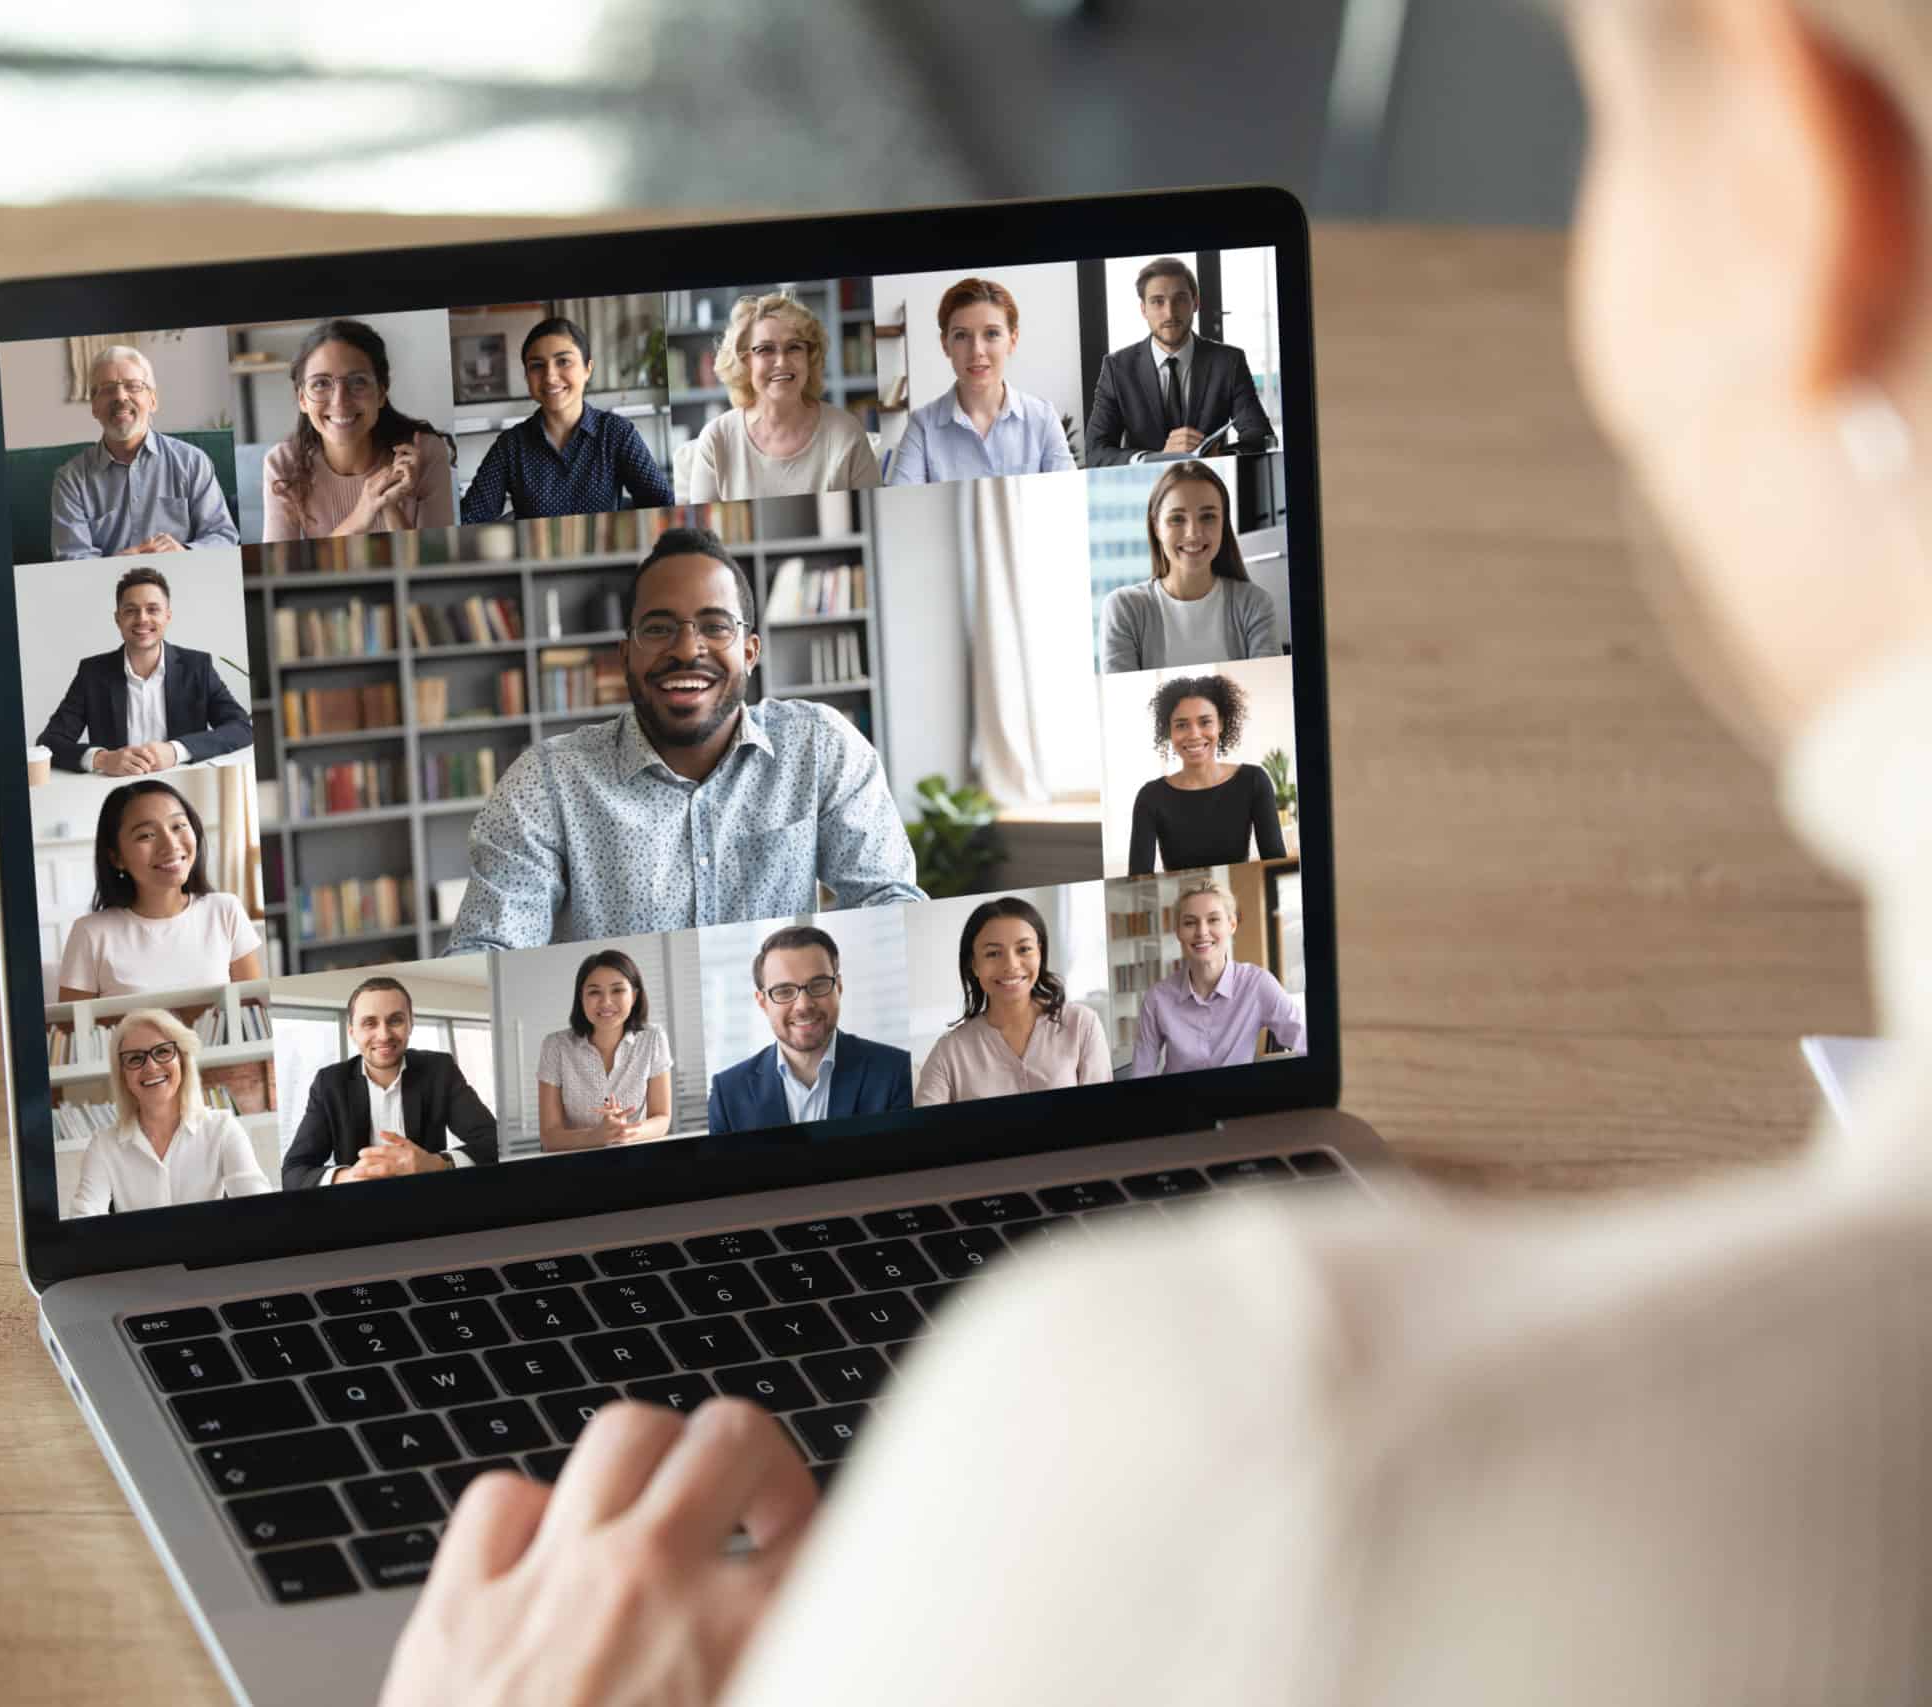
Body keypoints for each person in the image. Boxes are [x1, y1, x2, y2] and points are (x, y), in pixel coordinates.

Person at [385, 8, 1932, 1704]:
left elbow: (890, 910)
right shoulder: (556, 789)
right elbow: (507, 973)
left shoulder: (1244, 1445)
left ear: (1805, 181)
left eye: (1624, 122)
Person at [448, 526, 924, 952]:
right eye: (658, 629)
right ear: (625, 655)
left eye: (715, 627)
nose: (686, 649)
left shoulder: (819, 747)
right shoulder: (547, 783)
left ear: (750, 651)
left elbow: (890, 904)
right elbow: (490, 948)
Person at [280, 977, 499, 1189]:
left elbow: (493, 1141)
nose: (383, 1035)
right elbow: (293, 1172)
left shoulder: (440, 1069)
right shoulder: (329, 1083)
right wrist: (350, 1177)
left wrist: (438, 1164)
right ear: (352, 1032)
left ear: (411, 1024)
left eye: (395, 1020)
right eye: (369, 1023)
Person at [33, 566, 254, 776]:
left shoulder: (198, 666)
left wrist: (176, 751)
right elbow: (49, 742)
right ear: (117, 619)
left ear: (167, 616)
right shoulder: (92, 673)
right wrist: (102, 759)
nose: (142, 619)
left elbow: (242, 727)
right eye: (131, 610)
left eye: (152, 609)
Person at [57, 780, 264, 999]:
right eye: (146, 835)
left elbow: (254, 1013)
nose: (171, 844)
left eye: (178, 826)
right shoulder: (90, 933)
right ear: (116, 857)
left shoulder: (225, 910)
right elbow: (72, 1030)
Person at [458, 316, 675, 521]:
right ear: (526, 377)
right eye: (537, 366)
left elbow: (663, 504)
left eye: (563, 361)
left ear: (587, 369)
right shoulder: (510, 446)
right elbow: (471, 517)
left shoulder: (616, 433)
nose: (550, 376)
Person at [705, 924, 914, 1134]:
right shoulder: (727, 1093)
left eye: (819, 985)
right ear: (762, 1002)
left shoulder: (895, 1072)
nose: (804, 1005)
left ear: (838, 988)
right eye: (784, 991)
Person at [261, 319, 457, 541]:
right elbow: (283, 573)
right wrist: (363, 512)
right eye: (321, 383)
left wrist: (388, 505)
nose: (340, 402)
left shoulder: (426, 452)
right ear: (302, 399)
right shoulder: (282, 464)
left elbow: (433, 567)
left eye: (358, 382)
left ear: (381, 393)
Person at [64, 1007, 268, 1215]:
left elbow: (259, 1210)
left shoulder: (222, 1128)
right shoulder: (103, 1146)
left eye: (162, 1051)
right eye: (135, 1058)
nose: (151, 1067)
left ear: (182, 1060)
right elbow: (84, 1217)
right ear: (123, 1075)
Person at [681, 293, 882, 502]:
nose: (781, 362)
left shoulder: (846, 433)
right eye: (765, 349)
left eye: (794, 347)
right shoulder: (716, 440)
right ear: (745, 361)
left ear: (809, 357)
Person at [46, 344, 238, 560]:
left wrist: (184, 552)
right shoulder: (70, 479)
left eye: (133, 386)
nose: (120, 396)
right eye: (108, 389)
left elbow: (223, 537)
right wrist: (119, 563)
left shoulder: (192, 462)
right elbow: (71, 558)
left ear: (153, 400)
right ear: (95, 407)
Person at [912, 896, 1110, 1104]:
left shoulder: (1082, 1025)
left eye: (1024, 949)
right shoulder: (949, 1052)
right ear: (974, 964)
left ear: (1040, 953)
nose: (1011, 965)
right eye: (993, 953)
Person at [1081, 257, 1276, 467]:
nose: (1170, 312)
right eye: (1157, 301)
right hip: (1146, 489)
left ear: (1196, 302)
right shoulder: (1117, 368)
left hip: (1211, 482)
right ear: (1143, 309)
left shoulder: (1229, 362)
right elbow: (1095, 452)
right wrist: (1152, 458)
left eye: (1180, 299)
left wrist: (1222, 456)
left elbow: (1262, 437)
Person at [882, 277, 1077, 485]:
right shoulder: (922, 426)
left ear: (1012, 340)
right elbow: (904, 509)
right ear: (945, 344)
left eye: (991, 334)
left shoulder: (1043, 418)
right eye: (961, 336)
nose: (977, 351)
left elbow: (1068, 501)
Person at [1098, 461, 1282, 671]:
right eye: (1177, 519)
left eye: (1208, 517)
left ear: (1223, 522)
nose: (1193, 533)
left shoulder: (1255, 604)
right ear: (1156, 527)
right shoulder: (1124, 609)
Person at [1128, 877, 1305, 1076]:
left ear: (1232, 924)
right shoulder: (1157, 998)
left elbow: (1307, 1043)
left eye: (1213, 920)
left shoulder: (1257, 985)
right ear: (1178, 932)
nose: (1202, 932)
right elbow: (1141, 1073)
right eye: (1189, 923)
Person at [1125, 672, 1286, 875]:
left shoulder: (1253, 781)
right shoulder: (1150, 797)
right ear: (1169, 731)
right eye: (1182, 725)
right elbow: (1138, 879)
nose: (1194, 734)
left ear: (1221, 724)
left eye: (1205, 722)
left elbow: (1276, 868)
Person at [533, 950, 675, 1151]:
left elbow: (661, 1119)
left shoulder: (653, 1038)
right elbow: (550, 1136)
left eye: (617, 990)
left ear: (634, 996)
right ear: (581, 998)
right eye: (594, 992)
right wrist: (595, 1136)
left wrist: (625, 1131)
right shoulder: (555, 1046)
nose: (606, 1002)